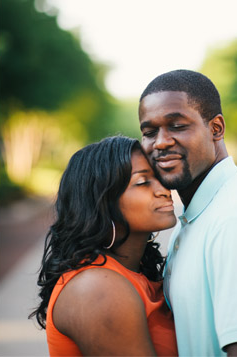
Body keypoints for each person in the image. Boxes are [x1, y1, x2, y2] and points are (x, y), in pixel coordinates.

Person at [139, 69, 237, 356]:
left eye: (176, 126)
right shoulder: (199, 211)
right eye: (149, 132)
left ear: (216, 128)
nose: (160, 142)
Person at [33, 135, 179, 355]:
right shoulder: (96, 288)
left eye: (159, 177)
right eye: (142, 182)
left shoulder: (134, 274)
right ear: (103, 204)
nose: (164, 189)